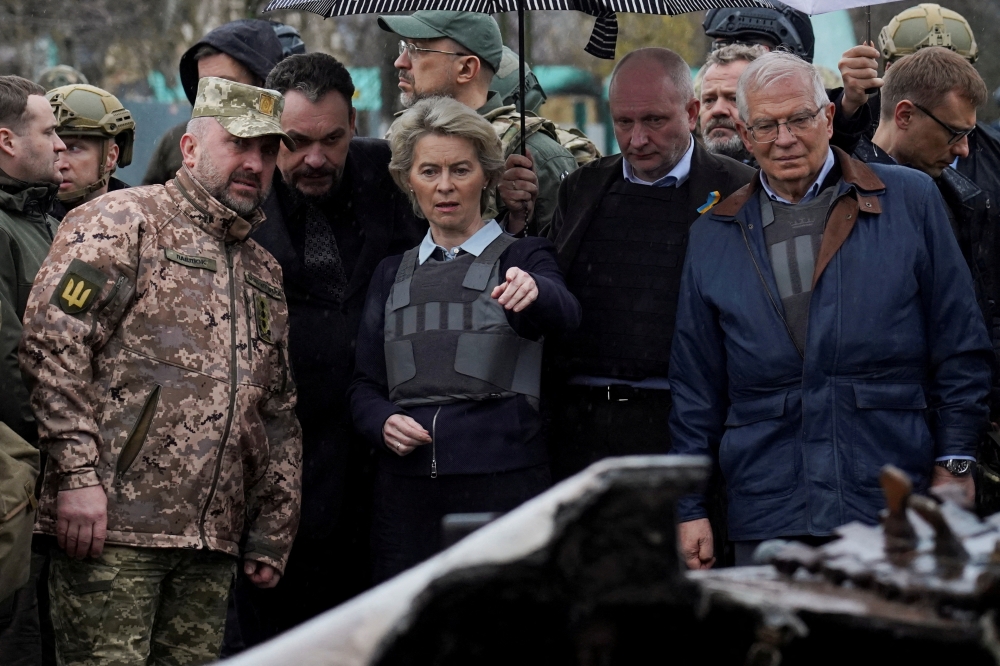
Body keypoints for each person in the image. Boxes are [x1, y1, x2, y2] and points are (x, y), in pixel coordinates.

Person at [670, 52, 992, 570]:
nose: (785, 138)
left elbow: (961, 347)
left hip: (891, 496)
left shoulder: (910, 201)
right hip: (769, 505)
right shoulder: (713, 236)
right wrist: (689, 507)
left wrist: (955, 463)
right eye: (767, 126)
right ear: (747, 138)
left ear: (827, 117)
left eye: (799, 118)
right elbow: (695, 391)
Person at [19, 77, 303, 665]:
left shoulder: (264, 271)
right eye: (238, 144)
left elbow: (276, 406)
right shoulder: (123, 220)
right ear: (192, 148)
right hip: (112, 532)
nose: (255, 163)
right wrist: (76, 474)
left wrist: (273, 525)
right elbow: (53, 340)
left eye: (268, 150)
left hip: (212, 541)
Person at [232, 52, 426, 646]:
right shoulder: (239, 187)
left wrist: (513, 202)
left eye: (333, 139)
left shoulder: (391, 173)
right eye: (296, 142)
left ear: (355, 127)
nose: (316, 158)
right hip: (284, 454)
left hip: (383, 440)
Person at [348, 97, 581, 582]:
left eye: (461, 169)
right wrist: (382, 420)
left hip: (502, 486)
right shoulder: (390, 273)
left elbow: (565, 315)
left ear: (488, 176)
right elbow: (364, 385)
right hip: (406, 495)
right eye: (429, 171)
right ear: (408, 181)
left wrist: (534, 293)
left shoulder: (524, 255)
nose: (446, 186)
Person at [544, 48, 754, 487]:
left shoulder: (738, 189)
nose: (637, 139)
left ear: (691, 112)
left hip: (688, 426)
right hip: (580, 430)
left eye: (654, 121)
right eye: (624, 122)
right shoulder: (581, 190)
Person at [854, 47, 1000, 512]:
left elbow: (971, 337)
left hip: (944, 453)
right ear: (904, 114)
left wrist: (958, 454)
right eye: (955, 133)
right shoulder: (832, 190)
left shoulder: (964, 203)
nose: (963, 151)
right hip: (859, 454)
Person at [378, 11, 578, 234]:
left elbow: (558, 260)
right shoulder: (396, 143)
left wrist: (517, 221)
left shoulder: (535, 154)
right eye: (403, 47)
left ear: (466, 69)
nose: (400, 62)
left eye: (415, 50)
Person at [0, 73, 64, 666]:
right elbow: (10, 360)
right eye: (49, 132)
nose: (62, 145)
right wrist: (67, 447)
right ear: (6, 141)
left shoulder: (38, 219)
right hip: (18, 479)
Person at [700, 5, 884, 162]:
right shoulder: (681, 171)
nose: (718, 110)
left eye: (734, 98)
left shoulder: (790, 171)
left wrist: (850, 104)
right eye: (708, 100)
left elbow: (829, 150)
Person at [142, 19, 285, 186]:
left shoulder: (292, 146)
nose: (209, 96)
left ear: (262, 85)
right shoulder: (176, 139)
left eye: (223, 85)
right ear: (188, 148)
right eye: (204, 86)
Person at [46, 84, 134, 220]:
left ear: (111, 156)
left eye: (74, 149)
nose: (59, 164)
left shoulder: (144, 222)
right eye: (51, 149)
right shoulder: (15, 225)